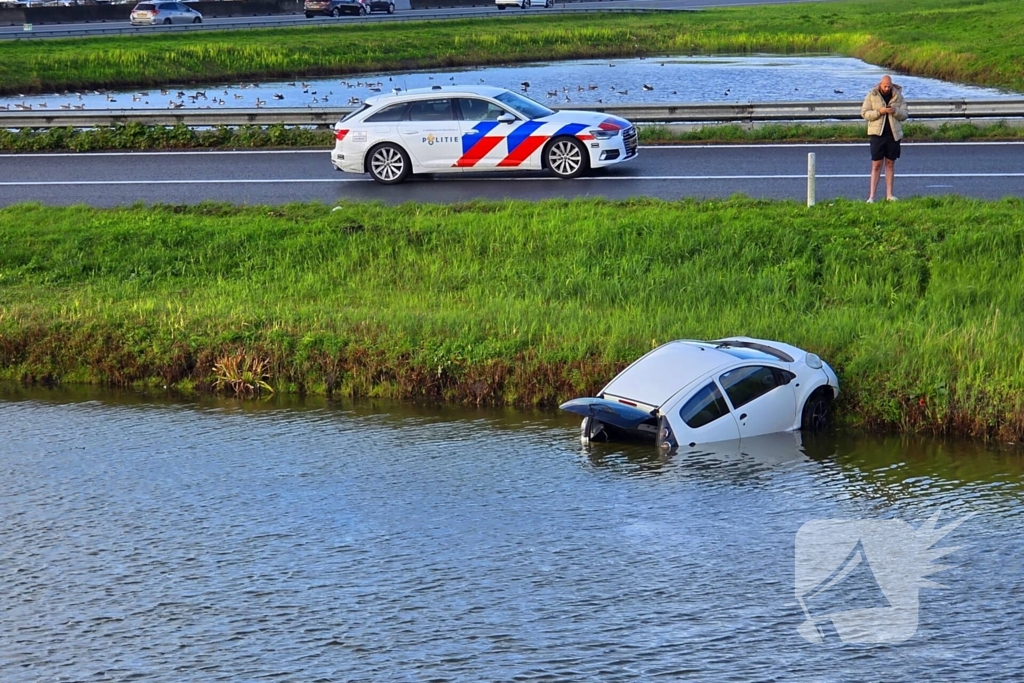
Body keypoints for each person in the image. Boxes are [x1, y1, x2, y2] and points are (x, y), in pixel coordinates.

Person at [861, 75, 908, 202]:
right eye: (885, 86)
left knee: (890, 163)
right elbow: (864, 113)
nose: (887, 88)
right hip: (877, 134)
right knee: (876, 164)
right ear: (881, 84)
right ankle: (871, 196)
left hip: (893, 134)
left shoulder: (898, 95)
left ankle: (889, 195)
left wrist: (895, 111)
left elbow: (905, 114)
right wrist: (879, 112)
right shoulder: (872, 94)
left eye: (889, 86)